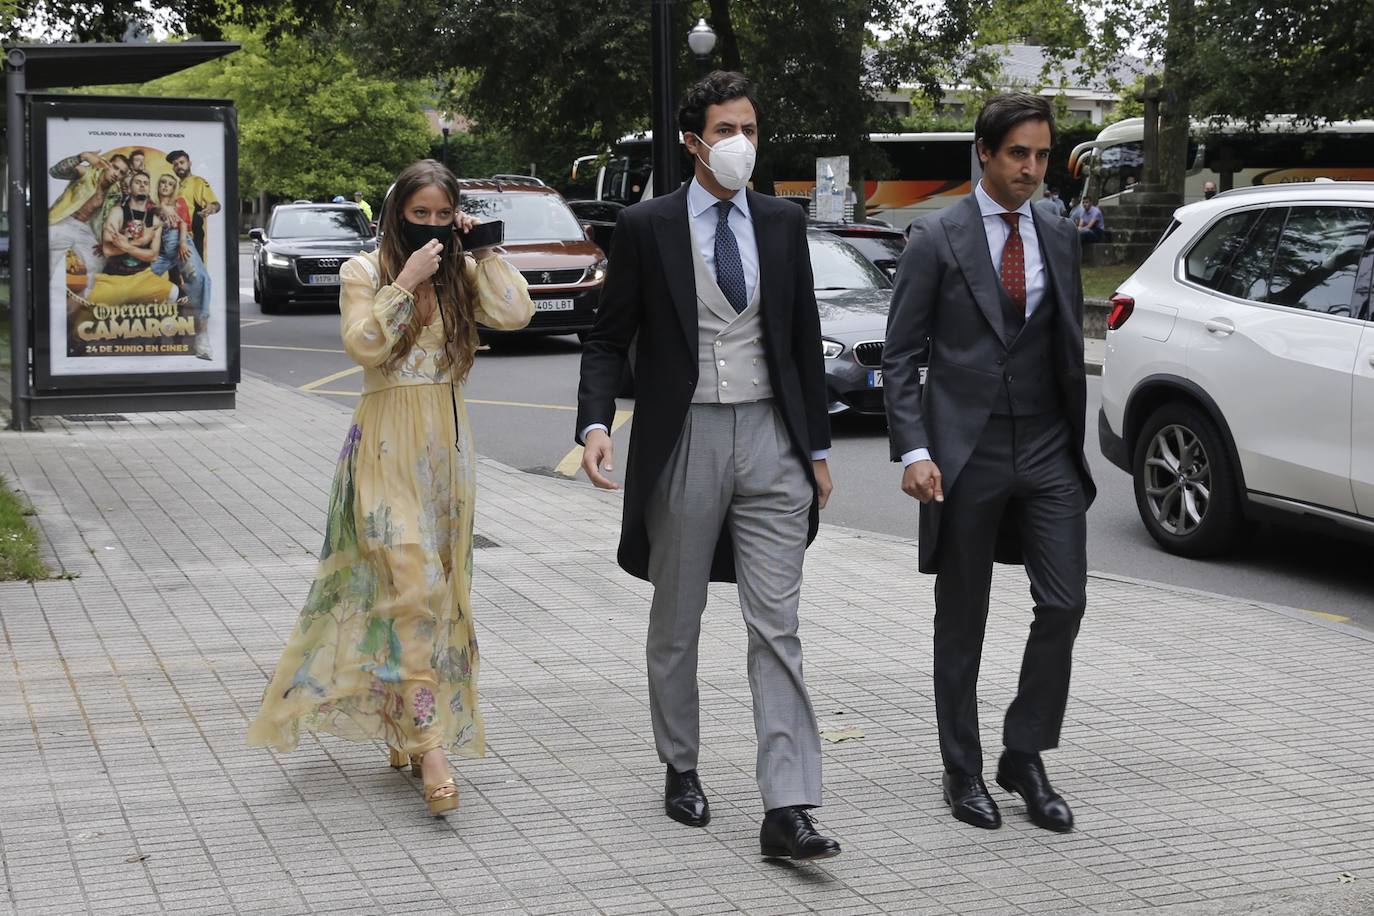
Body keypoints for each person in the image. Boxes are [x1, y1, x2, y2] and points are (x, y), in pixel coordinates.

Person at [575, 70, 841, 861]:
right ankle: (681, 764)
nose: (741, 145)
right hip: (684, 436)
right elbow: (607, 337)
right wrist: (595, 423)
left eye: (750, 130)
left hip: (772, 439)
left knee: (777, 626)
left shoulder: (782, 222)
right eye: (726, 131)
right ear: (692, 141)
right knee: (678, 617)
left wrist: (817, 450)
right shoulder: (647, 224)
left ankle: (789, 805)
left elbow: (800, 337)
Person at [247, 160, 534, 817]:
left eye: (442, 214)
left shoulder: (462, 274)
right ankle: (431, 747)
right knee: (410, 589)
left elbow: (516, 313)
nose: (431, 226)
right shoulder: (363, 271)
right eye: (419, 214)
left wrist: (483, 248)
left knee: (435, 596)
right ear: (395, 212)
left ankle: (409, 724)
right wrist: (403, 281)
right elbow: (363, 345)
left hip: (447, 457)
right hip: (382, 448)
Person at [882, 92, 1096, 834]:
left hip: (1045, 443)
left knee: (1064, 601)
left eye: (1041, 156)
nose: (1031, 169)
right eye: (1018, 154)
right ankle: (963, 768)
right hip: (963, 451)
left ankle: (1024, 752)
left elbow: (1066, 342)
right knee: (963, 615)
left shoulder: (1059, 232)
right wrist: (914, 448)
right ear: (984, 151)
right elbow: (903, 354)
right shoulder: (937, 238)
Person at [47, 150, 130, 297]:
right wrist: (82, 157)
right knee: (48, 265)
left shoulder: (115, 193)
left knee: (97, 262)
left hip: (85, 229)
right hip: (63, 221)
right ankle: (45, 306)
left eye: (122, 172)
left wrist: (104, 241)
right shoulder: (86, 173)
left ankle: (80, 306)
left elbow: (110, 218)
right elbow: (55, 172)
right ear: (106, 163)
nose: (117, 174)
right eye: (115, 167)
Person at [88, 170, 177, 306]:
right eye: (138, 182)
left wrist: (126, 245)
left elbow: (152, 256)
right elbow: (108, 250)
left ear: (148, 190)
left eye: (145, 183)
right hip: (113, 279)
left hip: (143, 278)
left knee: (173, 291)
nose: (142, 185)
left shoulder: (155, 220)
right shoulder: (117, 212)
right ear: (129, 188)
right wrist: (140, 242)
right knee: (89, 309)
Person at [151, 172, 213, 360]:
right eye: (163, 182)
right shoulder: (150, 203)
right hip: (159, 251)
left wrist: (182, 243)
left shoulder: (180, 203)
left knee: (202, 279)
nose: (166, 186)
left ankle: (202, 334)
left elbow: (184, 225)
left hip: (179, 245)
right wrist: (162, 207)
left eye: (170, 184)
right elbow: (150, 210)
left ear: (174, 188)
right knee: (140, 278)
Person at [165, 150, 220, 260]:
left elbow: (215, 204)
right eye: (175, 164)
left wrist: (211, 208)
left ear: (189, 163)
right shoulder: (175, 187)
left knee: (195, 273)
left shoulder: (197, 182)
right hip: (175, 238)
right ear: (173, 168)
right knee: (176, 275)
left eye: (182, 162)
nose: (179, 166)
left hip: (192, 237)